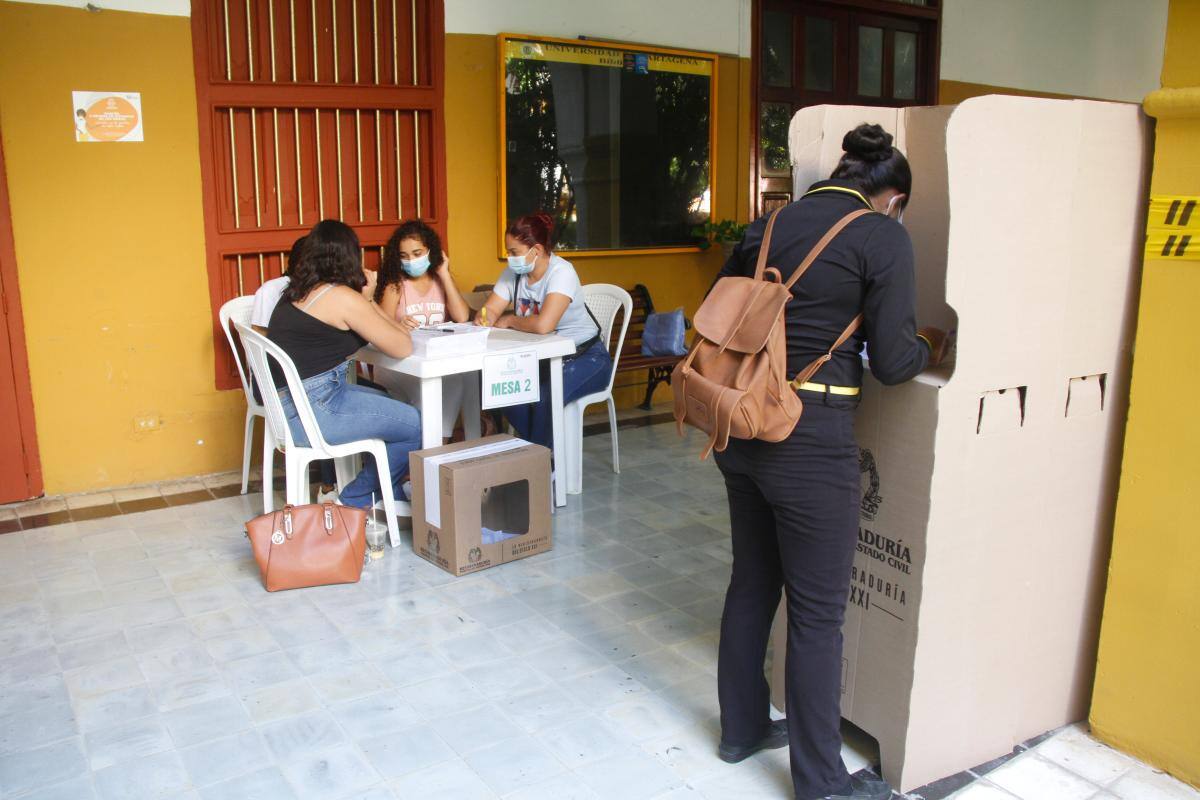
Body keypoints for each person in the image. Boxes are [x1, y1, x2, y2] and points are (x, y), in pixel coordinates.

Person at [711, 124, 948, 800]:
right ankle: (822, 786)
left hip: (740, 425)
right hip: (810, 439)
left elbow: (727, 317)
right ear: (892, 197)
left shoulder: (769, 222)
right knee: (817, 614)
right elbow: (898, 362)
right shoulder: (881, 237)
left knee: (752, 582)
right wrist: (932, 339)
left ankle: (741, 730)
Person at [266, 219, 422, 510]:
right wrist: (369, 299)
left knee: (392, 402)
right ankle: (354, 499)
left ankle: (387, 490)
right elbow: (403, 346)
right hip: (313, 411)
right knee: (414, 423)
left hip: (288, 407)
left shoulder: (295, 292)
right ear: (351, 257)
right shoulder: (341, 298)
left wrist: (365, 302)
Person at [477, 212, 612, 449]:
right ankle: (542, 457)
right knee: (501, 386)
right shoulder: (513, 274)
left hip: (587, 358)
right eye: (508, 251)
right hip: (541, 361)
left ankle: (536, 460)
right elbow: (489, 311)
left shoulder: (562, 272)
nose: (509, 258)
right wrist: (484, 317)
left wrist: (509, 320)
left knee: (545, 395)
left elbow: (544, 325)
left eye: (514, 252)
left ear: (536, 250)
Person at [372, 220, 471, 442]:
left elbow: (462, 317)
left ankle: (437, 447)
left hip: (431, 362)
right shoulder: (395, 284)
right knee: (435, 390)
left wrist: (444, 274)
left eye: (417, 253)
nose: (410, 260)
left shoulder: (439, 281)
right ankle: (429, 452)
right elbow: (378, 326)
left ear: (430, 251)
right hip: (397, 365)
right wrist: (398, 325)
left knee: (455, 382)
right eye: (404, 256)